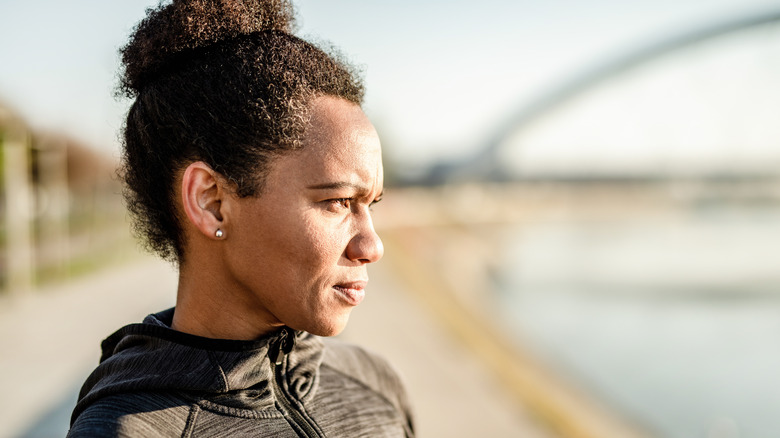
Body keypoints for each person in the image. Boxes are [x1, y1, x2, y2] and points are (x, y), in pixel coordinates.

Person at [67, 0, 414, 436]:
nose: (372, 246)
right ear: (211, 200)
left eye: (372, 204)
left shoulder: (375, 384)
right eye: (339, 202)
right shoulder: (130, 430)